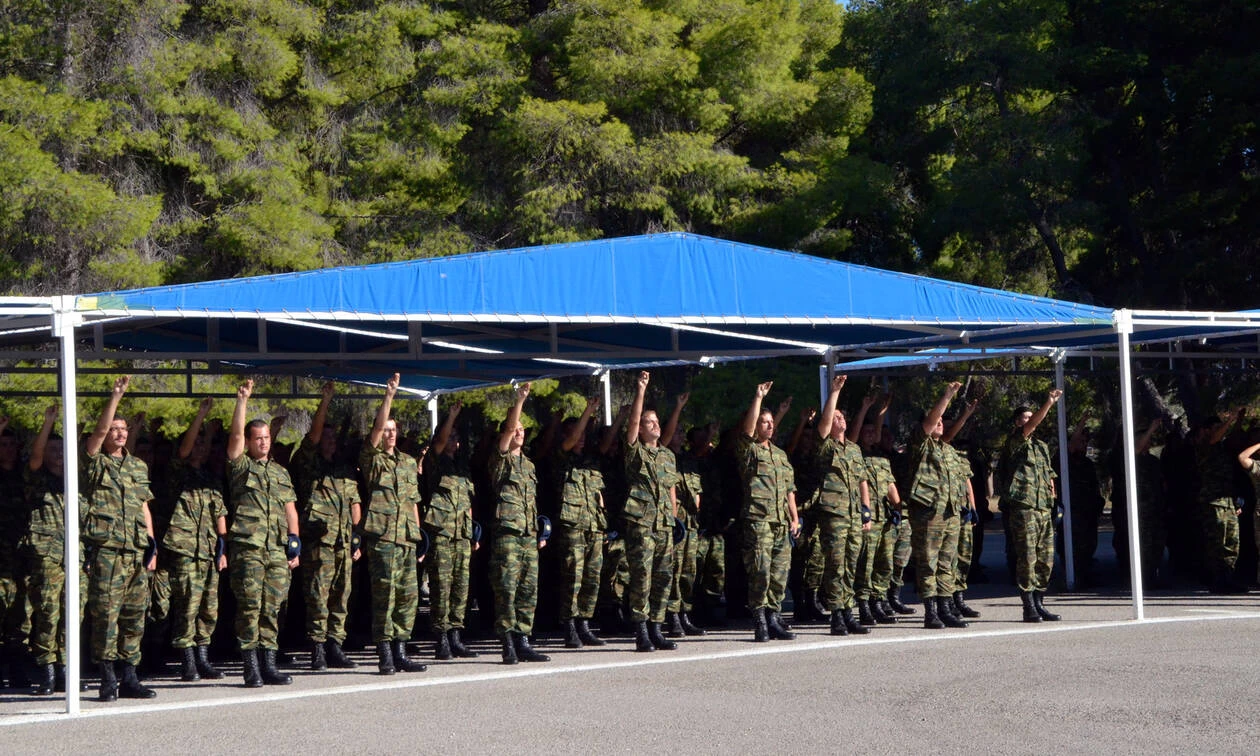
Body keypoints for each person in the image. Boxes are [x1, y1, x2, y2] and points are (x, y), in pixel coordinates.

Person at [82, 376, 158, 701]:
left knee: (134, 615)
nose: (119, 433)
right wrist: (115, 397)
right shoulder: (95, 463)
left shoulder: (137, 466)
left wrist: (152, 545)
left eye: (123, 429)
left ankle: (130, 676)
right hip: (108, 552)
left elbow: (143, 506)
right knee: (106, 615)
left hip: (136, 552)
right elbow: (97, 436)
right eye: (115, 428)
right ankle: (107, 677)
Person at [227, 379, 301, 687]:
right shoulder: (241, 466)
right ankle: (250, 666)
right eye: (258, 438)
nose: (264, 443)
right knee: (250, 607)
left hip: (276, 549)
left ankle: (269, 663)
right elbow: (234, 440)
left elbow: (290, 509)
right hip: (250, 548)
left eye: (267, 437)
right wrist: (242, 401)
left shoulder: (279, 471)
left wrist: (294, 543)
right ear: (249, 441)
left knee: (273, 607)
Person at [290, 382, 361, 671]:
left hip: (343, 543)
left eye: (334, 437)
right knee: (317, 596)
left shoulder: (343, 469)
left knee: (341, 595)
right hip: (319, 542)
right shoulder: (308, 464)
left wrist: (357, 536)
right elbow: (314, 436)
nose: (330, 440)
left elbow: (355, 503)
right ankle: (317, 649)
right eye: (326, 436)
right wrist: (326, 401)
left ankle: (335, 645)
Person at [360, 373, 428, 674]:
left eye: (393, 430)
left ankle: (401, 649)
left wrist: (418, 538)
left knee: (407, 596)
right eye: (386, 430)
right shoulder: (373, 460)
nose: (390, 434)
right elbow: (374, 430)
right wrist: (389, 396)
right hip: (384, 539)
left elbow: (412, 501)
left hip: (406, 539)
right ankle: (384, 652)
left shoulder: (408, 462)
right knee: (384, 596)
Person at [24, 405, 88, 695]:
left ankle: (67, 669)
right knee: (49, 614)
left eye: (63, 450)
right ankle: (47, 670)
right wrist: (48, 423)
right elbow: (35, 458)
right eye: (54, 450)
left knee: (74, 615)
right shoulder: (38, 479)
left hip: (76, 558)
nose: (59, 455)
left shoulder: (76, 482)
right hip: (48, 558)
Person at [164, 397, 228, 681]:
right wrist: (201, 417)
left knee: (208, 607)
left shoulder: (209, 477)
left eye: (205, 444)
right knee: (187, 605)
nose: (200, 449)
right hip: (185, 549)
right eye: (196, 444)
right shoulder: (177, 473)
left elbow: (220, 514)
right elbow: (186, 450)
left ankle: (203, 657)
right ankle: (186, 660)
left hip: (209, 550)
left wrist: (223, 546)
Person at [489, 382, 550, 664]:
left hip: (528, 535)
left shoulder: (529, 465)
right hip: (508, 536)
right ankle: (508, 642)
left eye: (524, 430)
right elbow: (507, 433)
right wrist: (520, 401)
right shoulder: (501, 461)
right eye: (517, 429)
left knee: (528, 590)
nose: (521, 433)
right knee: (507, 589)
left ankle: (524, 638)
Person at [736, 381, 801, 642]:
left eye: (772, 422)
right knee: (760, 572)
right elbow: (748, 430)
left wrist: (794, 518)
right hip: (758, 519)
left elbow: (789, 490)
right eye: (765, 422)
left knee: (779, 573)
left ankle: (774, 617)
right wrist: (758, 397)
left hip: (780, 522)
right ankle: (760, 619)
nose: (769, 426)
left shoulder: (781, 455)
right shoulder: (749, 450)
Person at [622, 371, 679, 652]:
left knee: (663, 576)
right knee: (642, 577)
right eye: (649, 423)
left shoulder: (667, 456)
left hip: (664, 524)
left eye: (656, 421)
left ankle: (657, 627)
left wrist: (674, 516)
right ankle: (641, 630)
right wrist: (641, 390)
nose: (655, 426)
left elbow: (671, 490)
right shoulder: (636, 453)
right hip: (642, 524)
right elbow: (632, 424)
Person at [997, 389, 1064, 622]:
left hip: (1043, 507)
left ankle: (1040, 602)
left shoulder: (1041, 446)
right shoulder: (1016, 441)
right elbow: (1033, 424)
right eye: (1025, 417)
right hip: (1023, 506)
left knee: (1046, 558)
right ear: (1017, 422)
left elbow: (1049, 475)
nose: (1029, 419)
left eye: (1030, 416)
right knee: (1027, 557)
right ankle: (1028, 606)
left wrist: (1054, 500)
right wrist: (1049, 402)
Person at [906, 381, 967, 630]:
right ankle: (930, 612)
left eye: (944, 420)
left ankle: (945, 607)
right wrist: (948, 395)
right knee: (928, 563)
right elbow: (931, 421)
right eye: (937, 419)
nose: (940, 423)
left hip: (950, 512)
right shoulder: (920, 444)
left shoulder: (949, 451)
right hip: (929, 513)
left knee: (946, 563)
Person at [813, 376, 872, 636]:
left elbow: (862, 482)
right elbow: (824, 427)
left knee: (851, 564)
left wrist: (866, 512)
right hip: (834, 514)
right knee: (835, 564)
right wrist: (834, 393)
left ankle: (849, 611)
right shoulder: (826, 447)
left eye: (842, 417)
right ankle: (836, 614)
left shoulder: (855, 450)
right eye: (837, 417)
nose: (841, 420)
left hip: (853, 515)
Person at [425, 399, 481, 659]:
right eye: (451, 437)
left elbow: (467, 502)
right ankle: (441, 637)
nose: (454, 441)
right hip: (442, 534)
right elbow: (438, 444)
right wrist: (451, 417)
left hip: (461, 535)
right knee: (442, 586)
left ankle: (456, 634)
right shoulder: (434, 463)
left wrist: (471, 533)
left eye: (457, 438)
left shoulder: (461, 467)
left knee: (461, 587)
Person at [553, 395, 607, 649]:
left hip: (594, 525)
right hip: (573, 526)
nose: (581, 437)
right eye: (577, 432)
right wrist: (589, 410)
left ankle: (585, 622)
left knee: (592, 576)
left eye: (585, 432)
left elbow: (605, 443)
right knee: (572, 576)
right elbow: (573, 440)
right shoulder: (562, 457)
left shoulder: (591, 460)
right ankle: (570, 625)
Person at [854, 392, 901, 625]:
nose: (873, 434)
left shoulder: (882, 456)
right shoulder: (856, 453)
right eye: (868, 431)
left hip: (885, 517)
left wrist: (898, 506)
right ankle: (863, 603)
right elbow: (856, 434)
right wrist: (868, 409)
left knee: (885, 562)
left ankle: (878, 600)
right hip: (868, 517)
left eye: (875, 432)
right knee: (867, 562)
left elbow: (889, 483)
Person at [664, 395, 705, 638]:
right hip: (676, 524)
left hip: (690, 522)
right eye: (676, 430)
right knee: (674, 570)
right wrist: (678, 407)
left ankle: (684, 612)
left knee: (689, 571)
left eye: (681, 431)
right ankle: (672, 616)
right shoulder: (666, 457)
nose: (679, 434)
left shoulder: (689, 459)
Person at [1195, 409, 1244, 593]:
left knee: (1232, 543)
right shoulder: (1204, 445)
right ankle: (1217, 580)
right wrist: (1229, 420)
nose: (1221, 430)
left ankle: (1228, 579)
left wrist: (1238, 420)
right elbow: (1216, 437)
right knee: (1217, 543)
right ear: (1208, 430)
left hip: (1228, 502)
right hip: (1214, 502)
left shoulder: (1222, 448)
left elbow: (1232, 438)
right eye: (1216, 427)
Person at [941, 397, 981, 619]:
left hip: (963, 511)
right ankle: (948, 601)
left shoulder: (957, 454)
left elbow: (967, 481)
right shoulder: (936, 449)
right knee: (949, 557)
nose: (951, 431)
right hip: (948, 512)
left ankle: (959, 598)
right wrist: (964, 415)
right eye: (947, 427)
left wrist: (973, 507)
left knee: (964, 556)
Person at [0, 418, 32, 690]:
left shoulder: (24, 475)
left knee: (20, 616)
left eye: (12, 445)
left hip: (21, 556)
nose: (8, 449)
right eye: (3, 444)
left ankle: (19, 671)